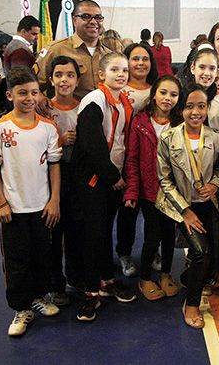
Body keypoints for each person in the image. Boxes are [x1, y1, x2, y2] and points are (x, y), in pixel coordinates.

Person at [0, 66, 62, 336]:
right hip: (14, 209)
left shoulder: (48, 128)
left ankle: (39, 297)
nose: (29, 98)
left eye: (34, 92)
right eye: (22, 93)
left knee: (42, 255)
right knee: (17, 260)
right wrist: (0, 202)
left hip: (42, 207)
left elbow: (54, 165)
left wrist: (54, 200)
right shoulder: (0, 128)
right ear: (10, 95)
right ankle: (21, 308)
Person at [72, 52, 136, 322]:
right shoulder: (94, 100)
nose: (121, 74)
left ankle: (106, 280)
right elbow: (92, 145)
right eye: (114, 70)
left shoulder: (123, 100)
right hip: (94, 180)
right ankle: (90, 292)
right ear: (101, 75)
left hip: (111, 178)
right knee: (93, 234)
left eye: (124, 70)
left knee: (104, 231)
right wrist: (112, 176)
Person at [156, 83, 219, 329]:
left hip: (209, 204)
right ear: (181, 109)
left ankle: (190, 276)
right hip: (182, 206)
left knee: (212, 258)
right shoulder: (168, 138)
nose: (196, 112)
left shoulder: (215, 137)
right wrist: (185, 211)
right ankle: (191, 304)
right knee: (200, 251)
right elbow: (164, 180)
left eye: (201, 106)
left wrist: (214, 184)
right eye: (189, 106)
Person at [124, 75, 183, 301]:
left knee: (169, 234)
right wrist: (132, 190)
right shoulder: (140, 122)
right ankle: (145, 277)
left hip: (173, 192)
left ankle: (166, 274)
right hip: (149, 192)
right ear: (154, 94)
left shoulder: (180, 123)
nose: (168, 98)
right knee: (152, 235)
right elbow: (132, 159)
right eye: (163, 93)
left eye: (173, 94)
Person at [115, 42, 160, 277]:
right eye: (135, 59)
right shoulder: (118, 91)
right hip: (126, 160)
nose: (140, 63)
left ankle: (153, 252)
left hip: (152, 162)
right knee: (128, 211)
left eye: (145, 59)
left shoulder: (157, 90)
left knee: (154, 212)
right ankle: (124, 253)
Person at [47, 56, 85, 305]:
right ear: (51, 79)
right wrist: (60, 141)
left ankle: (75, 276)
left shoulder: (84, 107)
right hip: (51, 176)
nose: (64, 80)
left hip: (77, 175)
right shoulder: (43, 109)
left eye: (70, 75)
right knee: (54, 231)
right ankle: (55, 283)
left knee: (75, 229)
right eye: (59, 75)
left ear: (77, 80)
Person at [35, 0, 111, 99]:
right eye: (86, 16)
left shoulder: (109, 55)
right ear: (74, 20)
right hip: (67, 108)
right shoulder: (55, 50)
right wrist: (41, 99)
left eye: (98, 18)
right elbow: (33, 83)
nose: (93, 22)